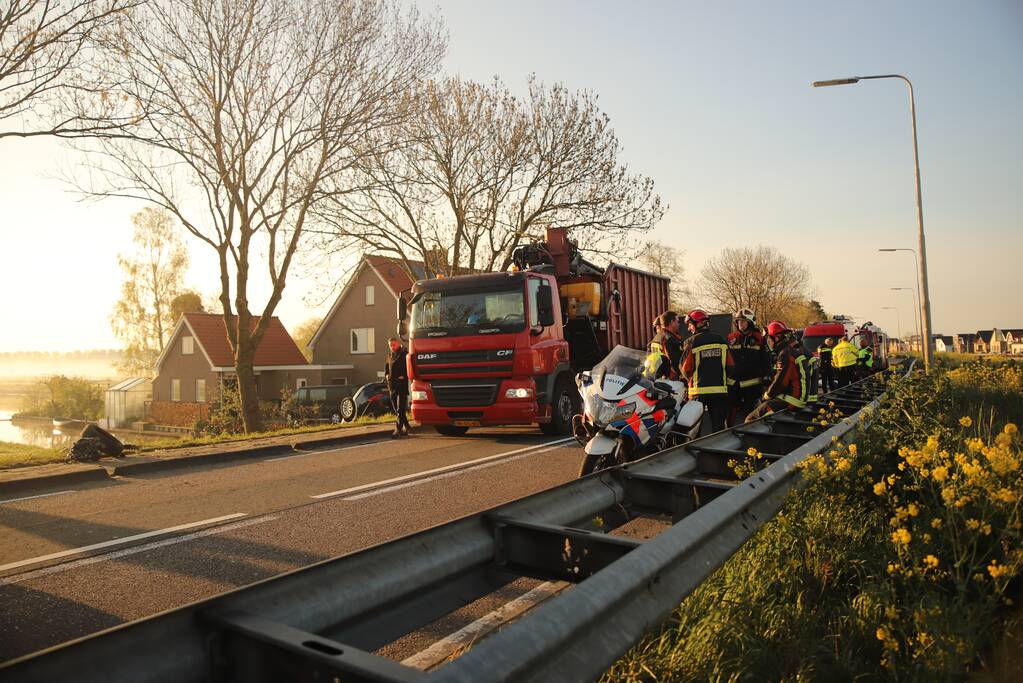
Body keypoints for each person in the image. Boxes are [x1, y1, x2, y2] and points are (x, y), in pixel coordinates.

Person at [679, 309, 733, 433]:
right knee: (718, 429)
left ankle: (696, 451)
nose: (689, 329)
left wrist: (690, 380)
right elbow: (730, 366)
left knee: (694, 429)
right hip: (720, 392)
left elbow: (685, 369)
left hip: (698, 393)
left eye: (690, 325)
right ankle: (719, 451)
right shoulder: (721, 340)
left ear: (697, 324)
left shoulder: (691, 342)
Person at [746, 320, 810, 422]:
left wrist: (766, 395)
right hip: (797, 398)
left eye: (769, 339)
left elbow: (780, 382)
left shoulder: (785, 354)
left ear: (776, 338)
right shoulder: (792, 349)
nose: (768, 342)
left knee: (750, 419)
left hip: (791, 400)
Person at [726, 308, 771, 424]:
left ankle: (749, 436)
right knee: (730, 411)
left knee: (749, 413)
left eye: (743, 321)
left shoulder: (759, 339)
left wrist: (766, 377)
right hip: (733, 384)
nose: (740, 323)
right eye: (738, 321)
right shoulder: (731, 338)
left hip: (752, 385)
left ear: (750, 322)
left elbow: (766, 360)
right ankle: (727, 432)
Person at [384, 337, 410, 438]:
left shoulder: (404, 353)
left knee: (400, 409)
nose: (392, 347)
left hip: (401, 385)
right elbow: (387, 367)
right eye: (390, 345)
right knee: (397, 409)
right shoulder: (389, 355)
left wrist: (404, 375)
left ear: (398, 344)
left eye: (393, 345)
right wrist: (386, 375)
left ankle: (397, 430)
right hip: (392, 386)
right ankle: (407, 426)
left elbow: (409, 367)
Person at [646, 311, 684, 379]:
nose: (679, 324)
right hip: (671, 378)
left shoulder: (656, 337)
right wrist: (682, 376)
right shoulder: (669, 339)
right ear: (672, 322)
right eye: (677, 321)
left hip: (659, 376)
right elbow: (674, 362)